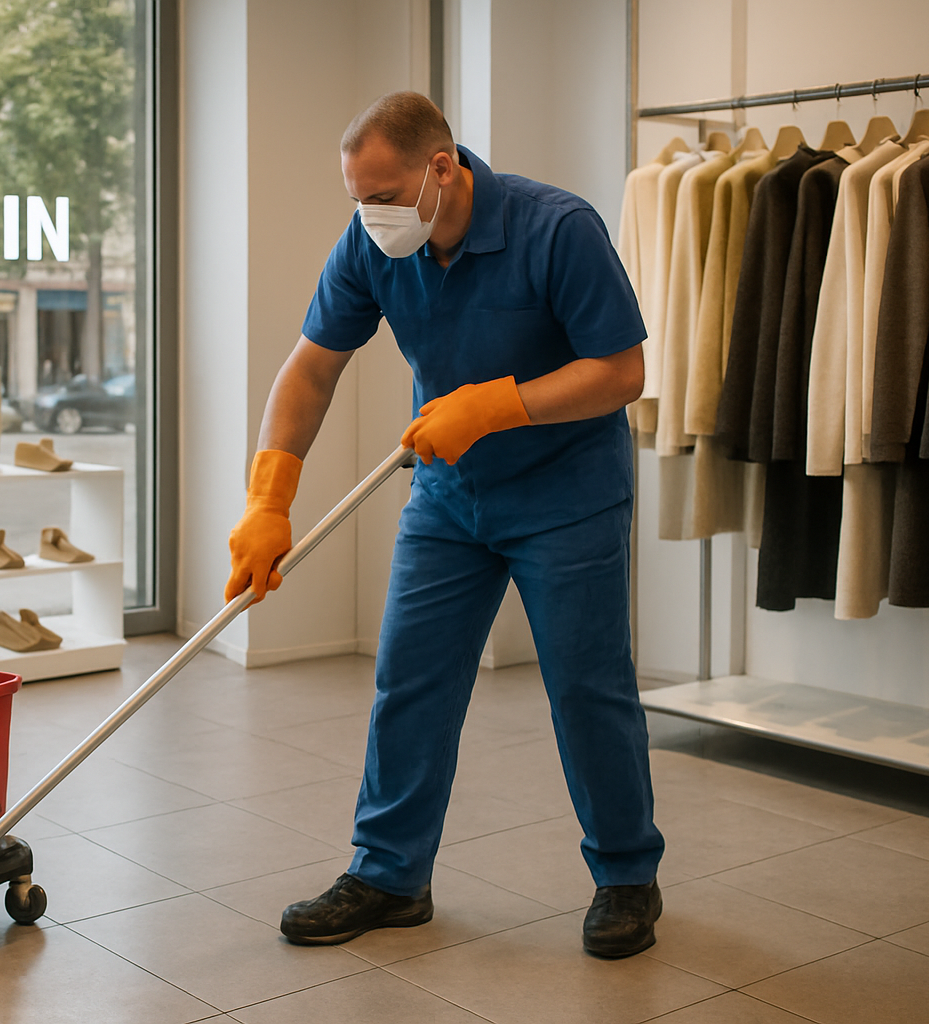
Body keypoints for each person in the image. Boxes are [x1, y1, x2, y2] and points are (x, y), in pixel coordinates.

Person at [226, 92, 665, 958]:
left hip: (568, 497)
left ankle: (625, 877)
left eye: (384, 195)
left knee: (587, 689)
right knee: (410, 683)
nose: (371, 215)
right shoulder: (371, 243)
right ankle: (389, 875)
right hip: (449, 498)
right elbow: (311, 370)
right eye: (359, 198)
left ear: (442, 167)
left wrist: (497, 405)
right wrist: (269, 498)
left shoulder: (557, 229)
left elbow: (621, 372)